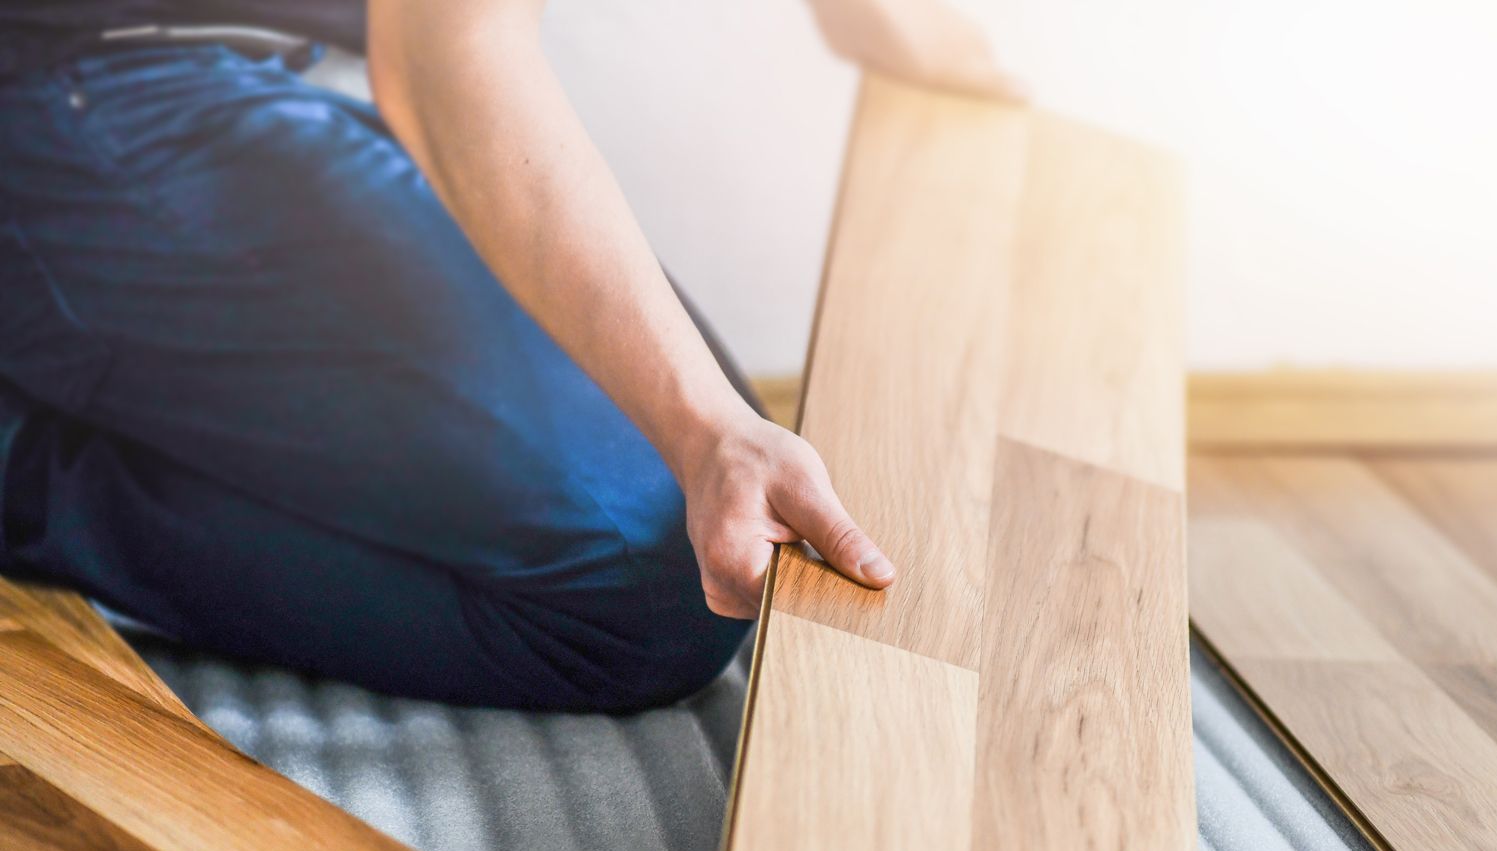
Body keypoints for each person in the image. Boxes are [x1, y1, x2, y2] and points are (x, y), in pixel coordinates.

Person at [0, 0, 1015, 710]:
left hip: (222, 76)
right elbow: (446, 66)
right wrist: (707, 434)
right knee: (656, 582)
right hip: (71, 94)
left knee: (704, 495)